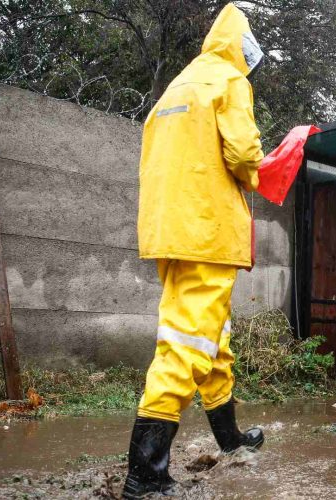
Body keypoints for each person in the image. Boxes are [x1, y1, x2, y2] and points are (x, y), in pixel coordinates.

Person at [123, 4, 267, 498]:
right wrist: (264, 172)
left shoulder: (180, 85)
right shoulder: (230, 81)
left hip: (170, 228)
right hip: (207, 230)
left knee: (212, 342)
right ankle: (145, 475)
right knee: (186, 346)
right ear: (242, 50)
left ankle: (230, 440)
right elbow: (245, 155)